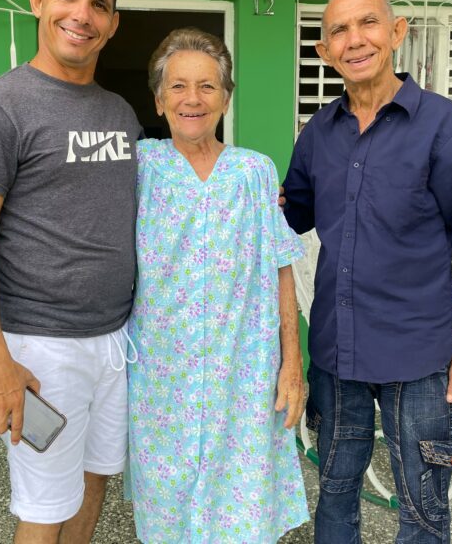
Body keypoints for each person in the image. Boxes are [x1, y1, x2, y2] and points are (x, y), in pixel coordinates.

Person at [282, 0, 452, 543]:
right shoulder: (318, 134)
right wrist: (234, 191)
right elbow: (291, 216)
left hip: (420, 357)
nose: (355, 39)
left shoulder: (445, 125)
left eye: (368, 22)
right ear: (323, 51)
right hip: (337, 352)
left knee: (424, 509)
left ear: (397, 32)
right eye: (339, 30)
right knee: (334, 497)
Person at [0, 0, 142, 542]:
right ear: (39, 1)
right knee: (44, 508)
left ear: (111, 24)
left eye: (98, 4)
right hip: (42, 351)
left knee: (93, 483)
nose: (81, 14)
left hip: (115, 342)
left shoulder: (122, 114)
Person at [127, 27, 310, 543]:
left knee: (244, 516)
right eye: (179, 86)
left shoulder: (254, 172)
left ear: (226, 97)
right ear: (159, 99)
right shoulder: (139, 169)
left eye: (207, 86)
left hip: (243, 377)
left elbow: (281, 270)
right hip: (162, 382)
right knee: (168, 517)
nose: (193, 99)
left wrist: (291, 365)